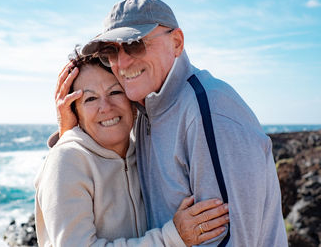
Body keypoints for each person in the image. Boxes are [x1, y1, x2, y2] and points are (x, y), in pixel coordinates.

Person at [56, 0, 288, 246]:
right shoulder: (145, 110)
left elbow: (231, 240)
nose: (121, 63)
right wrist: (71, 132)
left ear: (176, 42)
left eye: (135, 44)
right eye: (110, 52)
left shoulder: (208, 111)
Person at [35, 54, 230, 246]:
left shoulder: (144, 151)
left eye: (115, 92)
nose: (106, 107)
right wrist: (172, 238)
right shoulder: (67, 160)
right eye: (90, 99)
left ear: (133, 102)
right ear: (74, 112)